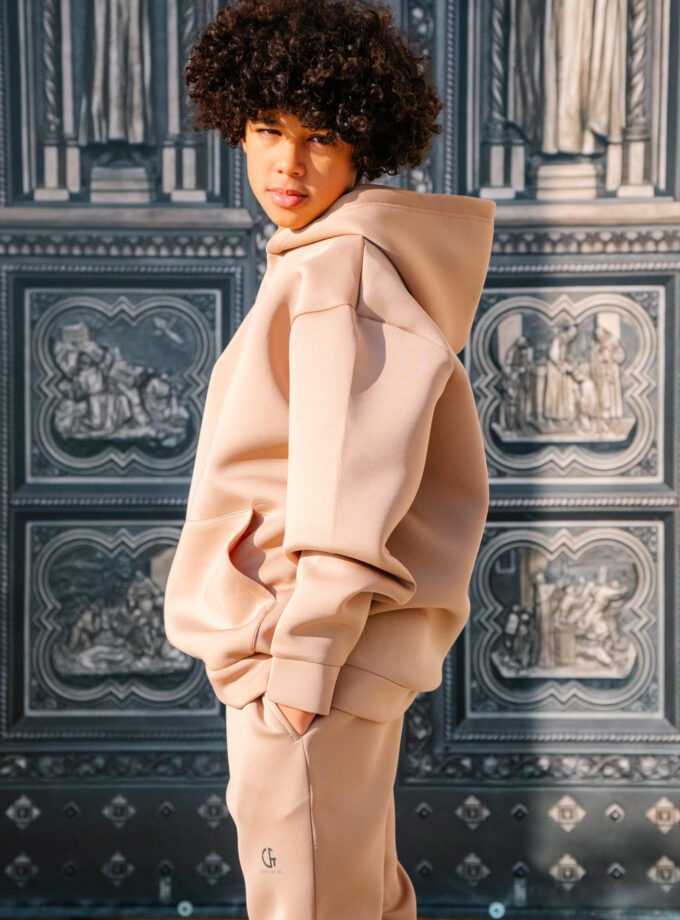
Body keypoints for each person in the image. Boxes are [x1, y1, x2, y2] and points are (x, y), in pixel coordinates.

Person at [162, 1, 496, 917]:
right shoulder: (332, 261)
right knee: (358, 896)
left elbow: (348, 483)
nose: (288, 163)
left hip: (301, 661)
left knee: (307, 904)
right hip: (321, 657)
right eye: (268, 129)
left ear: (363, 150)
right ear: (237, 127)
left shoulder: (334, 269)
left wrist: (300, 672)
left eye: (321, 137)